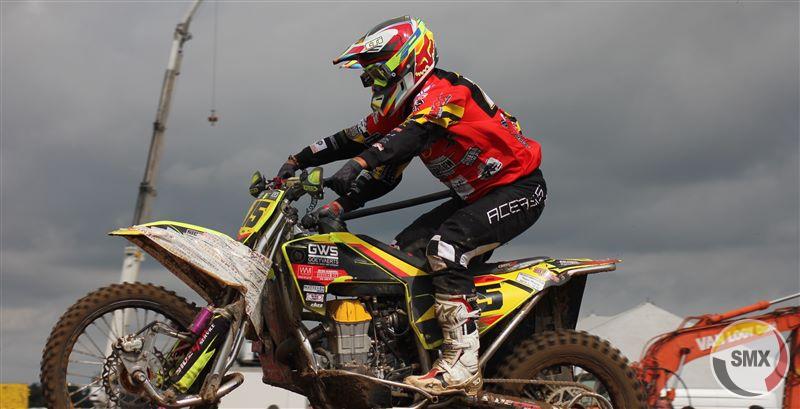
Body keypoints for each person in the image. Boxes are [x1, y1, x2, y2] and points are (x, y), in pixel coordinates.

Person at [263, 16, 546, 396]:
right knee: (400, 258)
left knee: (446, 249)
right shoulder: (403, 112)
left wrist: (360, 162)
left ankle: (462, 364)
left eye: (378, 74)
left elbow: (409, 138)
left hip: (519, 189)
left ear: (408, 63)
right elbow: (363, 150)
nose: (374, 85)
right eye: (369, 78)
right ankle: (410, 357)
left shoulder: (445, 92)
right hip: (475, 197)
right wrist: (302, 165)